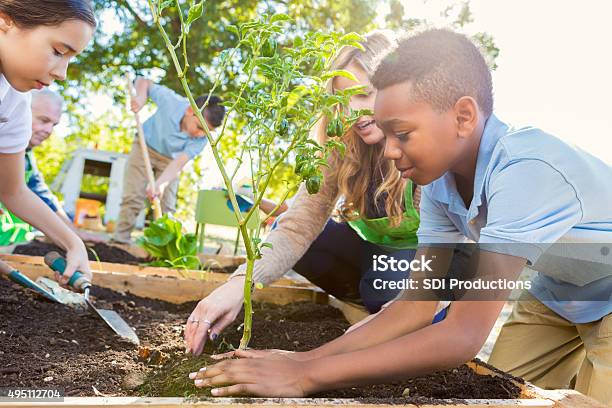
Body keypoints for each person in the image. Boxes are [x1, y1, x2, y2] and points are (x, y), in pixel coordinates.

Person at [189, 29, 612, 404]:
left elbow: (464, 334)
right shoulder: (441, 188)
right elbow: (414, 306)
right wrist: (304, 358)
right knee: (502, 389)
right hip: (557, 293)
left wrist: (305, 375)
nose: (389, 151)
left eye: (402, 134)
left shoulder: (525, 171)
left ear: (463, 116)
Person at [185, 31, 432, 357]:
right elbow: (298, 225)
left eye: (365, 94)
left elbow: (446, 246)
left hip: (420, 260)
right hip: (370, 252)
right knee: (298, 238)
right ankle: (362, 297)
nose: (351, 112)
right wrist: (239, 286)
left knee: (383, 292)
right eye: (341, 101)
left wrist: (393, 315)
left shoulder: (425, 148)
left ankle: (379, 298)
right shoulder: (340, 147)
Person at [0, 0, 96, 285]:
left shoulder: (15, 101)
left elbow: (13, 190)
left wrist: (72, 243)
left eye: (70, 59)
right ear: (6, 20)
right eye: (58, 52)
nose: (62, 73)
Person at [112, 77, 226, 243]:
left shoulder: (202, 139)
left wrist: (161, 183)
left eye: (207, 132)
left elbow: (179, 162)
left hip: (170, 161)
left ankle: (163, 248)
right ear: (189, 110)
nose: (201, 134)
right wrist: (141, 97)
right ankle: (119, 241)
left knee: (167, 206)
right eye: (200, 127)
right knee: (133, 197)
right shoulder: (172, 101)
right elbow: (143, 81)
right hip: (145, 146)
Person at [0, 89, 105, 246]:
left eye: (53, 125)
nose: (49, 130)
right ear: (22, 111)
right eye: (43, 120)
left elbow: (44, 198)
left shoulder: (27, 156)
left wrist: (73, 234)